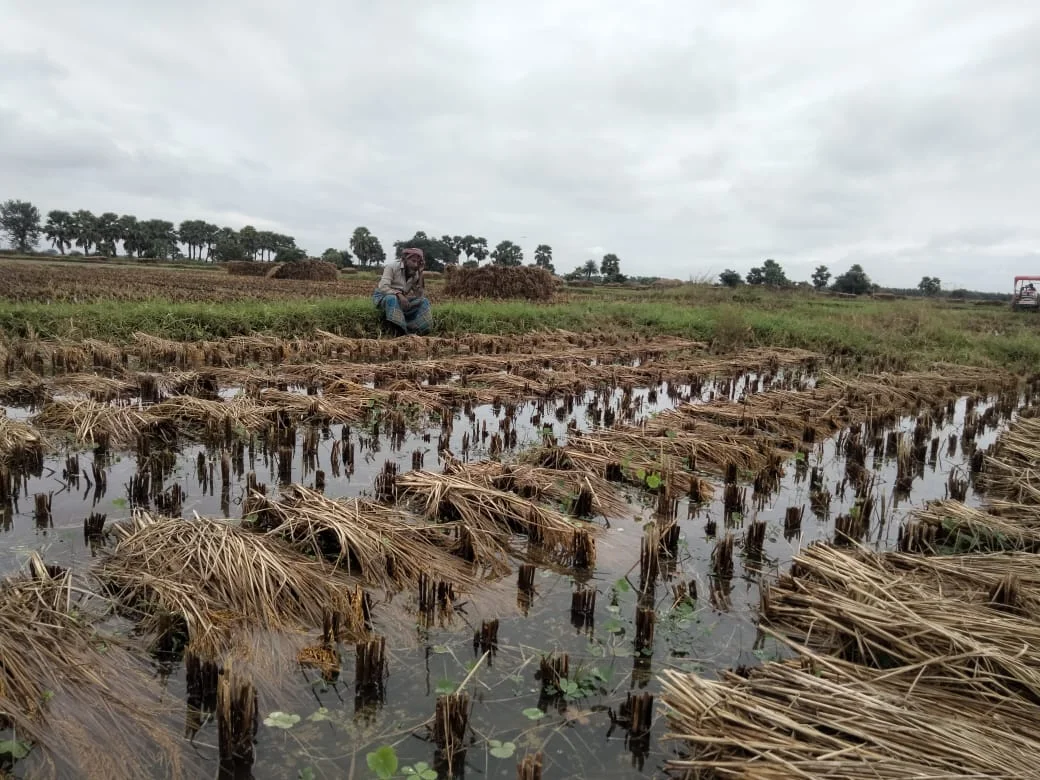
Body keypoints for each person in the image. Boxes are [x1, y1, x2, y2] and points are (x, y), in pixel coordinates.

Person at [372, 247, 433, 335]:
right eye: (413, 261)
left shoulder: (416, 273)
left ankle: (415, 330)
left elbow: (419, 295)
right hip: (384, 297)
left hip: (401, 300)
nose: (416, 265)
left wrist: (420, 273)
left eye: (418, 262)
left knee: (424, 301)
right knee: (392, 298)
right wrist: (399, 295)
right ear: (405, 260)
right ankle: (398, 331)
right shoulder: (392, 267)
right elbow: (383, 287)